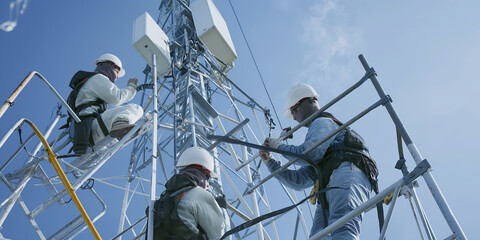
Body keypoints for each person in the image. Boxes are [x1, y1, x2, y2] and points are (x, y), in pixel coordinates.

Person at [259, 83, 378, 239]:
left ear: (308, 101)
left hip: (348, 170)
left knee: (342, 226)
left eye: (294, 111)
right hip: (330, 182)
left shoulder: (323, 121)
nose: (294, 117)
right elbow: (299, 181)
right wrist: (270, 162)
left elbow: (308, 154)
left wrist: (278, 146)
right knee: (318, 236)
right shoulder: (324, 152)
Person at [67, 53, 143, 154]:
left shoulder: (85, 83)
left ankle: (120, 128)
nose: (117, 77)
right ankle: (120, 125)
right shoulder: (97, 78)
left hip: (84, 134)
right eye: (116, 72)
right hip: (93, 127)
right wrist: (131, 88)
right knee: (136, 108)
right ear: (109, 66)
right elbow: (117, 97)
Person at [148, 146, 225, 240]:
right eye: (208, 179)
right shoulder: (198, 193)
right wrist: (221, 208)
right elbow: (218, 234)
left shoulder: (161, 202)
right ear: (203, 174)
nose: (208, 185)